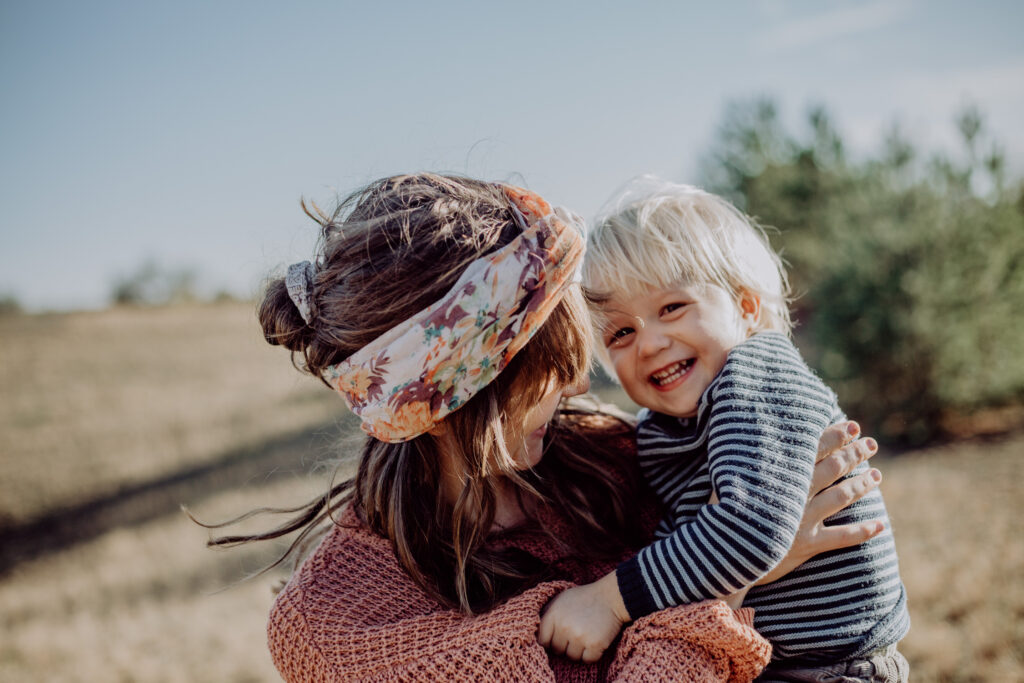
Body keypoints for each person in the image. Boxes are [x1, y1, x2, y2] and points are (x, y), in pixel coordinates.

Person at [213, 173, 887, 682]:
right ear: (464, 387)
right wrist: (739, 582)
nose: (575, 385)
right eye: (554, 359)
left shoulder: (609, 456)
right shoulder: (339, 626)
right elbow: (747, 541)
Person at [538, 179, 909, 682]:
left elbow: (749, 527)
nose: (648, 344)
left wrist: (608, 599)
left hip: (832, 668)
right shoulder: (665, 427)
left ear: (746, 308)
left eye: (672, 308)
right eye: (621, 333)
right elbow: (690, 529)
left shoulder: (757, 373)